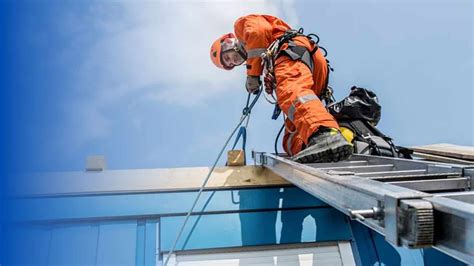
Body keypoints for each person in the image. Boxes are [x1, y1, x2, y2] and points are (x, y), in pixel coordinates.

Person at [210, 14, 352, 163]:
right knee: (290, 139)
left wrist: (252, 74)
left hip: (291, 51)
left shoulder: (241, 27)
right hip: (310, 65)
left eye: (227, 58)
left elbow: (257, 32)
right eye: (230, 64)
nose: (232, 61)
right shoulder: (263, 58)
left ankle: (325, 135)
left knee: (291, 93)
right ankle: (337, 140)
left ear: (227, 42)